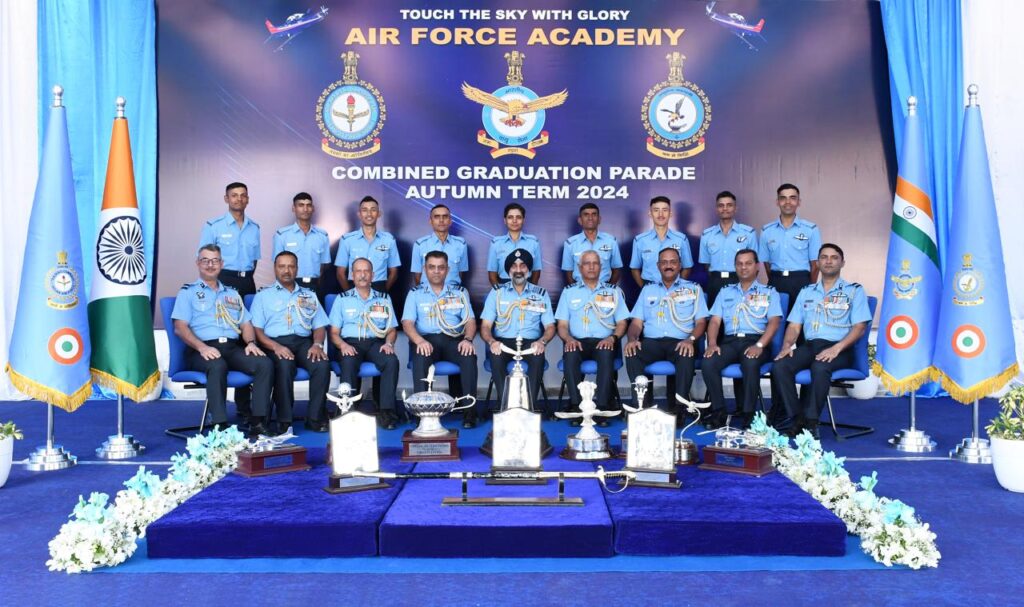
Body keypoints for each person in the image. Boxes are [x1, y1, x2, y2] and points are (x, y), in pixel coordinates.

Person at [171, 244, 272, 436]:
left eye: (215, 260)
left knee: (264, 364)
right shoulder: (188, 292)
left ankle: (258, 421)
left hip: (231, 348)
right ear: (197, 263)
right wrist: (202, 347)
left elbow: (246, 325)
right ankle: (220, 425)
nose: (210, 265)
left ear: (222, 264)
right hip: (201, 350)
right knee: (217, 365)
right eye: (205, 260)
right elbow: (180, 328)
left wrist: (250, 343)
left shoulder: (232, 294)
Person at [771, 244, 871, 438]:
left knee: (820, 366)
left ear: (842, 262)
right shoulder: (807, 291)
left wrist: (837, 348)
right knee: (780, 366)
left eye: (834, 257)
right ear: (818, 263)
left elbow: (859, 327)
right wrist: (786, 345)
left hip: (840, 349)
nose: (828, 261)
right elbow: (794, 325)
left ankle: (811, 421)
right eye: (824, 257)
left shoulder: (854, 291)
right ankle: (796, 418)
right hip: (810, 346)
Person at [250, 251, 332, 434]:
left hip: (304, 343)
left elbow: (319, 326)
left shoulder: (309, 295)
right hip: (274, 343)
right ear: (275, 269)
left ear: (297, 269)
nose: (286, 270)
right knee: (284, 365)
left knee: (322, 364)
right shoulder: (263, 296)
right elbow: (258, 331)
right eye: (282, 266)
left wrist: (317, 344)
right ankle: (284, 420)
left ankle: (315, 418)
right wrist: (276, 346)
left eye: (291, 266)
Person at [701, 249, 782, 429]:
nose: (743, 267)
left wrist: (760, 345)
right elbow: (714, 321)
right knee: (708, 362)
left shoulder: (769, 292)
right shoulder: (725, 292)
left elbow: (774, 322)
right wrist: (712, 343)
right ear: (735, 267)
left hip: (756, 342)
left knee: (750, 362)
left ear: (757, 267)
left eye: (748, 263)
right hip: (729, 342)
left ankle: (748, 414)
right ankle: (719, 411)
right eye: (739, 264)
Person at [624, 247, 709, 410]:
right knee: (632, 351)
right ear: (658, 265)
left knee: (686, 353)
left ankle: (679, 407)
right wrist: (632, 340)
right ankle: (640, 405)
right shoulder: (648, 290)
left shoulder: (694, 289)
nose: (668, 266)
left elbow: (701, 323)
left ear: (679, 265)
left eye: (672, 262)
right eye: (664, 262)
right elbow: (636, 323)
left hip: (681, 342)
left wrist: (690, 340)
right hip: (652, 342)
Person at [402, 251, 479, 428]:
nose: (436, 271)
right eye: (432, 267)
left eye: (440, 267)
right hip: (426, 340)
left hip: (454, 340)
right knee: (420, 358)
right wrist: (418, 341)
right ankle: (421, 414)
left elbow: (470, 321)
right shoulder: (415, 293)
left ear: (447, 270)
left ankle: (469, 413)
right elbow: (407, 323)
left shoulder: (460, 293)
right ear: (425, 269)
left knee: (469, 357)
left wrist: (467, 339)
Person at [555, 251, 629, 424]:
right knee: (571, 354)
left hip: (604, 341)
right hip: (577, 341)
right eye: (587, 263)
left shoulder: (614, 292)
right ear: (580, 268)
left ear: (601, 267)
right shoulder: (569, 292)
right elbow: (562, 325)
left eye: (595, 263)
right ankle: (576, 407)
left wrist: (613, 338)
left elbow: (622, 323)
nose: (591, 267)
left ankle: (602, 408)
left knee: (605, 354)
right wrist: (568, 339)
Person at [328, 258, 400, 429]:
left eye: (366, 271)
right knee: (348, 361)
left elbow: (391, 329)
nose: (362, 275)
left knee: (391, 361)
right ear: (352, 275)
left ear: (373, 275)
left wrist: (389, 343)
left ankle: (386, 411)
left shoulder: (383, 299)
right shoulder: (342, 299)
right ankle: (348, 411)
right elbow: (334, 333)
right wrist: (343, 346)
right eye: (358, 271)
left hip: (376, 343)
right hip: (350, 343)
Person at [480, 249, 555, 409]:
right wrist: (492, 341)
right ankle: (504, 406)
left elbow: (550, 327)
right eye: (514, 266)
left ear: (529, 270)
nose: (519, 270)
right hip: (503, 342)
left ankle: (530, 407)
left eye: (523, 266)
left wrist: (542, 341)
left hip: (531, 343)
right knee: (496, 358)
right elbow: (485, 326)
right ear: (508, 271)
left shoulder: (541, 294)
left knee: (538, 357)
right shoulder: (497, 293)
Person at [758, 183, 822, 315]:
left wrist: (809, 287)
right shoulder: (766, 231)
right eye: (783, 198)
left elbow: (815, 265)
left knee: (801, 324)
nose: (788, 202)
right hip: (776, 282)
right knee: (776, 322)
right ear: (777, 202)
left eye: (793, 198)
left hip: (802, 282)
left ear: (799, 202)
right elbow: (766, 264)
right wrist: (777, 278)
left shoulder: (811, 229)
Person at [198, 182, 261, 300]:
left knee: (248, 316)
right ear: (226, 199)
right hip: (222, 280)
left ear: (247, 199)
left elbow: (254, 260)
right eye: (234, 195)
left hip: (248, 282)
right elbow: (203, 259)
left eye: (243, 195)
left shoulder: (254, 228)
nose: (239, 199)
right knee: (222, 317)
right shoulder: (213, 226)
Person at [698, 191, 758, 307]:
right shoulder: (707, 235)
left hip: (740, 281)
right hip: (715, 282)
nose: (725, 208)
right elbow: (706, 265)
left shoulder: (748, 233)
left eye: (729, 205)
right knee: (715, 321)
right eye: (721, 205)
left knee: (740, 317)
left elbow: (754, 263)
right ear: (716, 209)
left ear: (735, 208)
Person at [272, 192, 331, 305]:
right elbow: (277, 266)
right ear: (293, 208)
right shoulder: (282, 235)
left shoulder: (322, 236)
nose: (305, 209)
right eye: (301, 205)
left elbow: (324, 266)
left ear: (313, 208)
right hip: (290, 286)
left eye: (308, 205)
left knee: (314, 321)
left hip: (314, 287)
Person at [335, 195, 400, 293]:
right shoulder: (347, 240)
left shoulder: (389, 240)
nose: (369, 214)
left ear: (379, 213)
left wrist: (382, 292)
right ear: (359, 214)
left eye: (373, 210)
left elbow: (394, 272)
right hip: (354, 288)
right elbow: (340, 273)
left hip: (379, 289)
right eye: (365, 210)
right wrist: (350, 294)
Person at [630, 195, 693, 287]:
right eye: (656, 210)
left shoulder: (681, 239)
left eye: (664, 210)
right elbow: (635, 269)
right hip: (649, 287)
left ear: (670, 214)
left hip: (674, 288)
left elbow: (687, 267)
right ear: (650, 214)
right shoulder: (640, 240)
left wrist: (678, 287)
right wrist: (645, 289)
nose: (660, 214)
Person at [561, 203, 622, 285]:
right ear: (580, 220)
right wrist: (575, 291)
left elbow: (617, 269)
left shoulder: (611, 241)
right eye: (586, 215)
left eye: (594, 214)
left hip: (604, 291)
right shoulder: (570, 243)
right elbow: (568, 271)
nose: (590, 218)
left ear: (599, 219)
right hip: (579, 290)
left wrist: (608, 289)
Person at [411, 204, 468, 287]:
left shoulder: (461, 244)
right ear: (430, 221)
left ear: (450, 221)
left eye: (445, 216)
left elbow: (460, 273)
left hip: (453, 295)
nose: (441, 220)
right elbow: (417, 276)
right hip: (427, 294)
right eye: (437, 217)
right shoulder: (420, 244)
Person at [487, 202, 542, 285]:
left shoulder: (533, 242)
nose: (514, 220)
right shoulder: (496, 244)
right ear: (505, 220)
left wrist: (530, 294)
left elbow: (536, 272)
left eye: (518, 217)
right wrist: (499, 294)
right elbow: (492, 275)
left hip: (527, 289)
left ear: (523, 220)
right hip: (504, 289)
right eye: (510, 217)